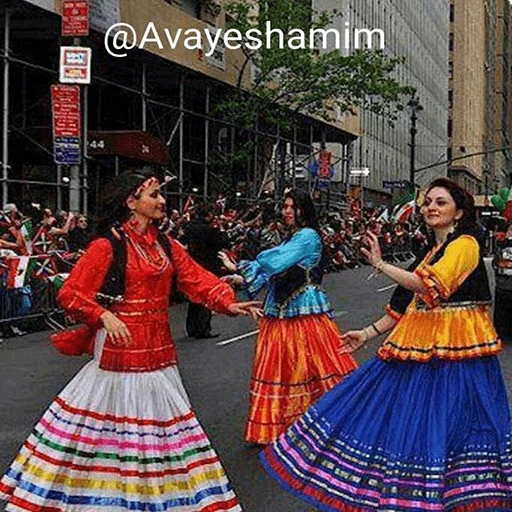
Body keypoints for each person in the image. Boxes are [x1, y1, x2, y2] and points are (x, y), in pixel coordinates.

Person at [0, 169, 260, 512]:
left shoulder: (165, 243)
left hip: (158, 354)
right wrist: (103, 315)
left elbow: (196, 279)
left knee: (158, 435)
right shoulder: (106, 245)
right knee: (109, 434)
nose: (162, 201)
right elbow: (72, 293)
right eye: (153, 195)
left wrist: (227, 301)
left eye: (160, 195)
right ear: (130, 202)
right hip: (118, 355)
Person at [261, 178, 512, 510]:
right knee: (413, 423)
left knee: (454, 427)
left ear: (459, 212)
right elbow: (406, 303)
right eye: (428, 203)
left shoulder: (465, 244)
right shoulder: (432, 249)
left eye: (441, 203)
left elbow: (426, 287)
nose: (431, 208)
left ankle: (454, 497)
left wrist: (381, 265)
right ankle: (419, 497)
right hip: (424, 347)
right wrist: (366, 333)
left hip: (458, 354)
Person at [220, 189, 357, 445]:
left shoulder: (307, 236)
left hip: (303, 309)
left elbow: (275, 263)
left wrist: (241, 266)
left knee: (305, 365)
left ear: (304, 209)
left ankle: (319, 420)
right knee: (288, 366)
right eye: (285, 206)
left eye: (292, 206)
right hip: (283, 309)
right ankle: (296, 423)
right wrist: (240, 277)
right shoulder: (295, 237)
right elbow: (277, 271)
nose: (287, 211)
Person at [181, 203, 230, 339]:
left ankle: (191, 328)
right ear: (209, 215)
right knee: (207, 297)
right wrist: (221, 229)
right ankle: (203, 328)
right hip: (208, 264)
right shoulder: (210, 230)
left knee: (194, 296)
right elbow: (224, 243)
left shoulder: (190, 227)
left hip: (193, 263)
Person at [494, 219, 512, 343]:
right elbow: (496, 261)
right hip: (504, 282)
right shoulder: (501, 244)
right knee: (503, 308)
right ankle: (502, 331)